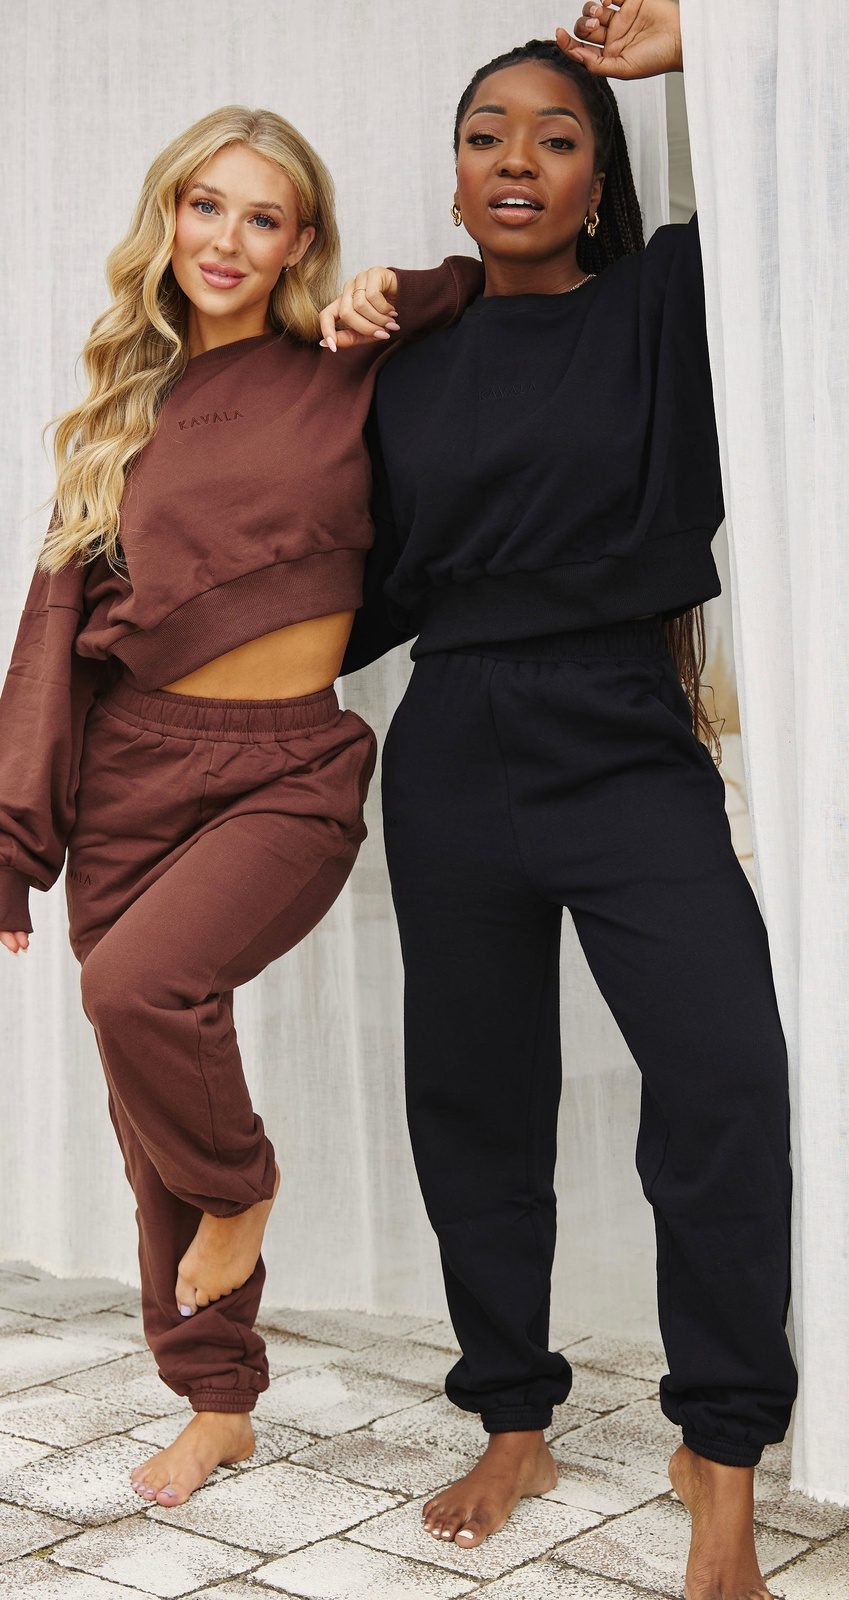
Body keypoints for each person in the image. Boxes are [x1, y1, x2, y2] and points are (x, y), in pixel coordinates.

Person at [321, 5, 795, 1597]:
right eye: (486, 136)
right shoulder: (404, 362)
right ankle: (512, 1417)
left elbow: (801, 176)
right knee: (474, 1096)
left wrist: (702, 50)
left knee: (724, 1079)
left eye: (557, 135)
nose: (516, 159)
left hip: (622, 731)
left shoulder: (660, 304)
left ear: (601, 179)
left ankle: (720, 1451)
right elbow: (349, 576)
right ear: (454, 173)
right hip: (452, 736)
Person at [0, 104, 480, 1509]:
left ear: (299, 241)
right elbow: (51, 641)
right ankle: (217, 1399)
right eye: (204, 206)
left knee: (139, 990)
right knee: (145, 1094)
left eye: (262, 217)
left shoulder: (341, 363)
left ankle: (245, 1186)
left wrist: (396, 289)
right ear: (169, 219)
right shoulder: (119, 414)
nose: (227, 238)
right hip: (132, 771)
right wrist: (14, 840)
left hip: (288, 765)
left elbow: (476, 292)